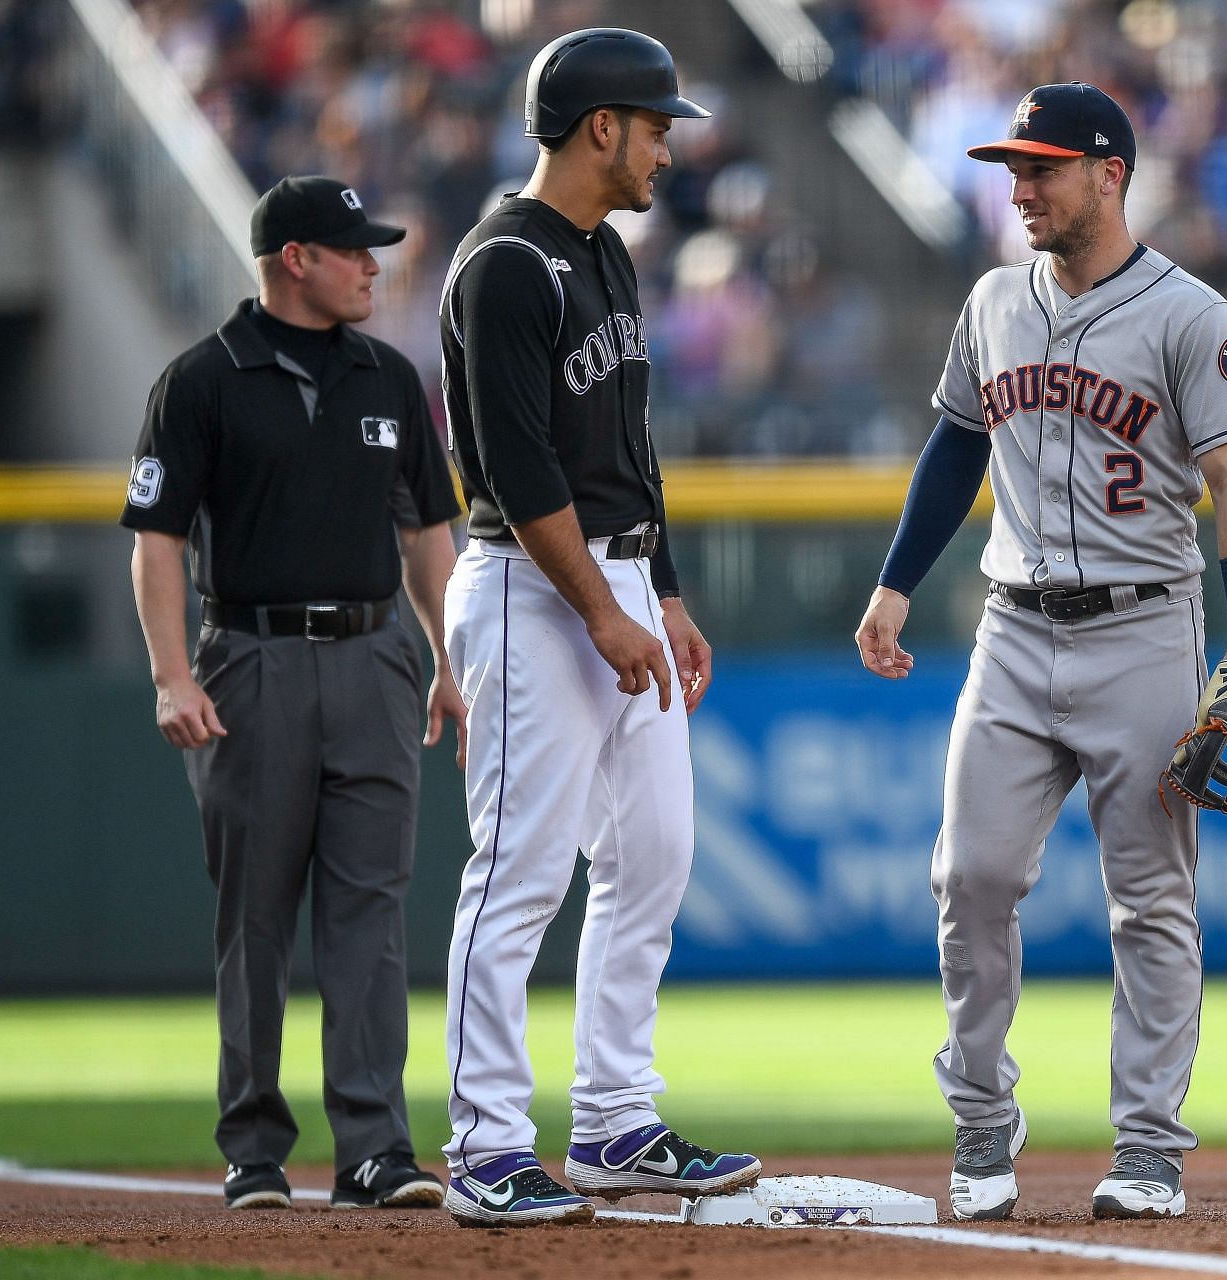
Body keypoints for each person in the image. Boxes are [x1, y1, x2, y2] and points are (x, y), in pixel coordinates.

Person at [854, 83, 1227, 1222]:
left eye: (1042, 167)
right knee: (972, 876)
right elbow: (957, 443)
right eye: (1014, 167)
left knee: (1150, 897)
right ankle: (984, 1122)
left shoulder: (1191, 315)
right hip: (1011, 626)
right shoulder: (994, 299)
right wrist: (896, 584)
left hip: (1146, 624)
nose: (1020, 187)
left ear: (1111, 173)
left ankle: (1149, 1147)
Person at [434, 28, 760, 1229]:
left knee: (657, 852)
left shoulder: (605, 255)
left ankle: (617, 1119)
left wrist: (660, 596)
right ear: (597, 127)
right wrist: (600, 611)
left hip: (614, 583)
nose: (670, 145)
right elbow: (513, 468)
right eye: (655, 122)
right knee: (519, 868)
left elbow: (633, 454)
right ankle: (484, 1143)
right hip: (531, 588)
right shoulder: (503, 263)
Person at [123, 175, 464, 1212]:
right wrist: (171, 673)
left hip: (374, 658)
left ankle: (374, 1146)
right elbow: (157, 540)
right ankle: (255, 1147)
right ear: (294, 261)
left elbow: (425, 534)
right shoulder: (200, 381)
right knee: (256, 915)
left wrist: (449, 657)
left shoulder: (390, 376)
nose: (373, 263)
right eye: (352, 249)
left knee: (372, 911)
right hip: (251, 663)